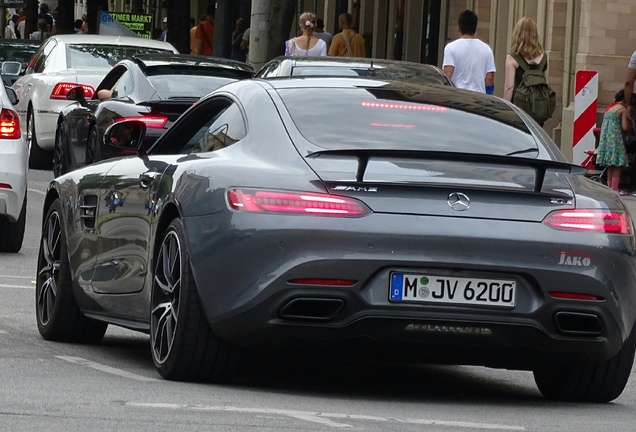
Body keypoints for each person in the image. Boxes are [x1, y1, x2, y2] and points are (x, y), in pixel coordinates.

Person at [442, 10, 495, 93]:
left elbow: (448, 74)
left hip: (457, 95)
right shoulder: (487, 49)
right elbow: (489, 78)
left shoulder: (450, 48)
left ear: (458, 28)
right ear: (475, 28)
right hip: (479, 97)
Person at [597, 89, 632, 195]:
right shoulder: (622, 109)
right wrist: (630, 123)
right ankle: (615, 188)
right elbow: (625, 127)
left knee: (610, 165)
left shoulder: (610, 108)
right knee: (618, 165)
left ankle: (609, 188)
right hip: (616, 139)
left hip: (607, 141)